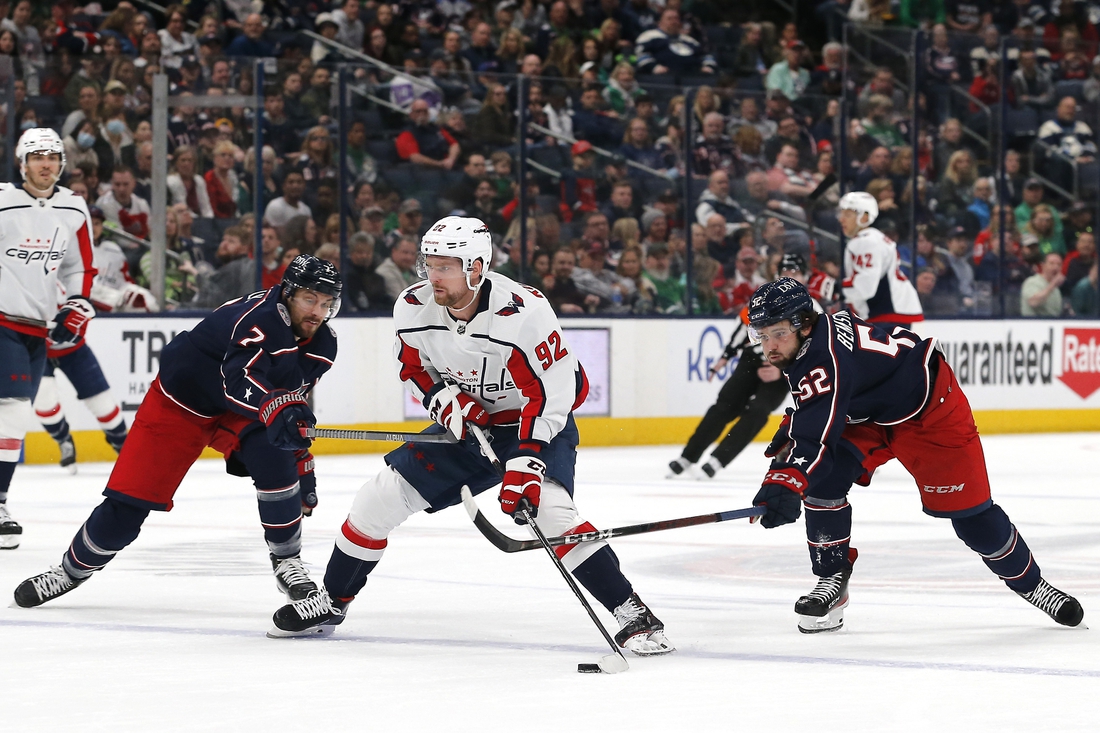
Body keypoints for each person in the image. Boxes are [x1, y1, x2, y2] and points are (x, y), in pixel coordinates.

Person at [267, 217, 674, 658]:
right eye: (429, 264)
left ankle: (633, 612)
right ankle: (331, 602)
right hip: (470, 428)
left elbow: (555, 393)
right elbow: (413, 367)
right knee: (376, 499)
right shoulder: (413, 305)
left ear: (476, 268)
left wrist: (526, 460)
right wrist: (444, 400)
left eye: (444, 267)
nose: (432, 276)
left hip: (533, 422)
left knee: (552, 514)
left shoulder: (524, 312)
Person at [745, 277, 1084, 633]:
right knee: (823, 481)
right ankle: (832, 579)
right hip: (869, 414)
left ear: (804, 323)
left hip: (929, 411)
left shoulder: (820, 355)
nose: (770, 346)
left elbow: (815, 430)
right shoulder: (808, 342)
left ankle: (1034, 586)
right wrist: (792, 457)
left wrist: (784, 481)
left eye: (778, 333)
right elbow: (826, 401)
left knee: (973, 519)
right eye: (761, 335)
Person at [14, 256, 341, 608]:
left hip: (239, 410)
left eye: (326, 303)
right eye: (310, 299)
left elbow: (289, 402)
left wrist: (299, 456)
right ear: (287, 293)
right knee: (127, 507)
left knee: (274, 455)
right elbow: (238, 381)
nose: (317, 312)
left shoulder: (323, 344)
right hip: (179, 403)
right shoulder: (260, 319)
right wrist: (276, 409)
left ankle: (288, 562)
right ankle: (70, 572)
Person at [0, 128, 96, 548]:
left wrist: (77, 302)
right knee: (14, 410)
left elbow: (80, 266)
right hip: (2, 321)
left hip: (37, 328)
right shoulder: (3, 201)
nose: (45, 164)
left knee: (13, 415)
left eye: (52, 157)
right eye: (37, 156)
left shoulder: (73, 207)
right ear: (22, 163)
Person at [669, 254, 815, 480]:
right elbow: (744, 327)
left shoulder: (812, 308)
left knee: (758, 411)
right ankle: (688, 456)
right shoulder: (765, 296)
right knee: (725, 404)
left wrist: (782, 369)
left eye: (795, 272)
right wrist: (725, 357)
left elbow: (812, 348)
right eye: (785, 271)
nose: (790, 276)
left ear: (805, 276)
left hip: (782, 369)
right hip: (753, 359)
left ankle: (718, 460)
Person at [838, 192, 923, 329]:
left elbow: (865, 287)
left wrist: (833, 288)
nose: (841, 219)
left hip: (887, 314)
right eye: (841, 214)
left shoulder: (866, 242)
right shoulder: (873, 237)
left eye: (847, 215)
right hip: (892, 312)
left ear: (864, 217)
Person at [1020, 252, 1065, 316]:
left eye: (1059, 264)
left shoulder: (1056, 289)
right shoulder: (1032, 281)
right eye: (1051, 263)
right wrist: (1052, 285)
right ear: (1043, 266)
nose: (1055, 267)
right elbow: (1033, 302)